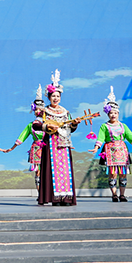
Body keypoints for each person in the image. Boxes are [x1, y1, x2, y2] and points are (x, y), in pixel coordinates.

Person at [88, 86, 132, 202]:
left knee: (123, 174)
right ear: (108, 114)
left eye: (115, 113)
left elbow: (130, 137)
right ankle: (114, 194)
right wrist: (96, 148)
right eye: (111, 113)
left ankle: (122, 195)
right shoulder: (105, 126)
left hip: (122, 151)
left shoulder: (123, 126)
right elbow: (100, 138)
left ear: (118, 113)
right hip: (110, 151)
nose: (113, 115)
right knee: (113, 174)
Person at [35, 69, 80, 206]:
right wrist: (47, 126)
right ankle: (55, 198)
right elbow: (36, 125)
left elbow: (70, 128)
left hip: (64, 145)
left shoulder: (65, 111)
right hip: (51, 145)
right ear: (49, 97)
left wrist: (75, 124)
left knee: (65, 171)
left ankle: (66, 198)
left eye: (58, 96)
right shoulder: (45, 111)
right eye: (53, 96)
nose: (55, 98)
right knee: (52, 170)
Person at [4, 85, 46, 192]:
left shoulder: (48, 124)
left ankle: (47, 193)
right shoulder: (31, 125)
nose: (37, 111)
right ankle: (40, 193)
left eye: (40, 109)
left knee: (47, 171)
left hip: (47, 148)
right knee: (38, 171)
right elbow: (21, 137)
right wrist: (12, 148)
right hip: (37, 149)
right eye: (36, 109)